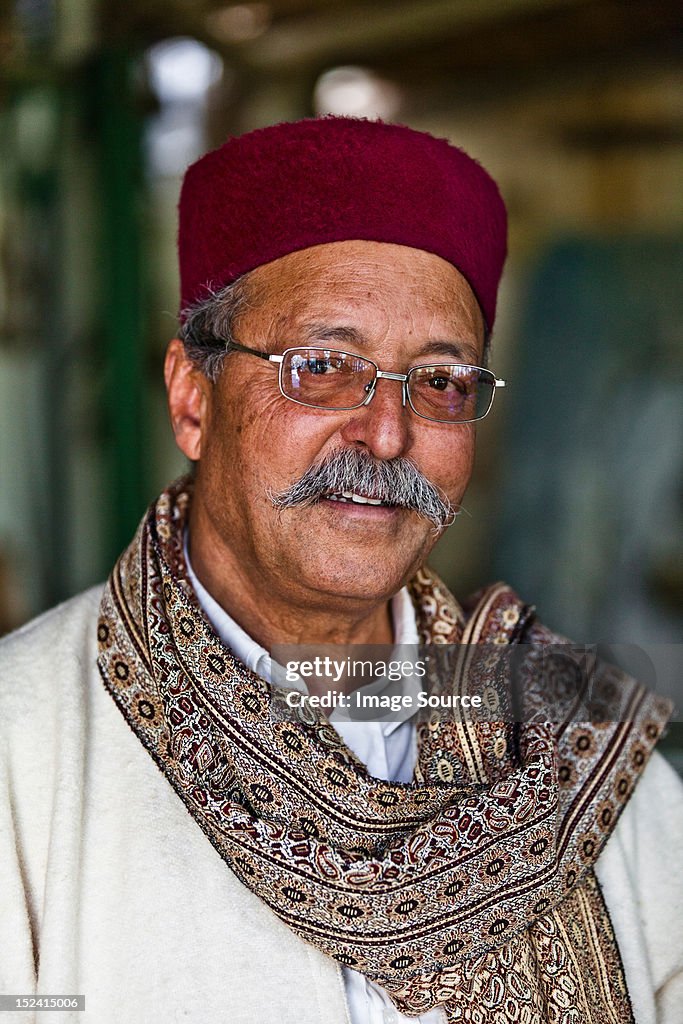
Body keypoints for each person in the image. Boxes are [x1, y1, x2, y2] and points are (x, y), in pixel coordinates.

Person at [1, 116, 682, 1024]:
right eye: (321, 367)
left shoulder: (575, 743)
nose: (388, 433)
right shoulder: (22, 753)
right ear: (191, 400)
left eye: (440, 382)